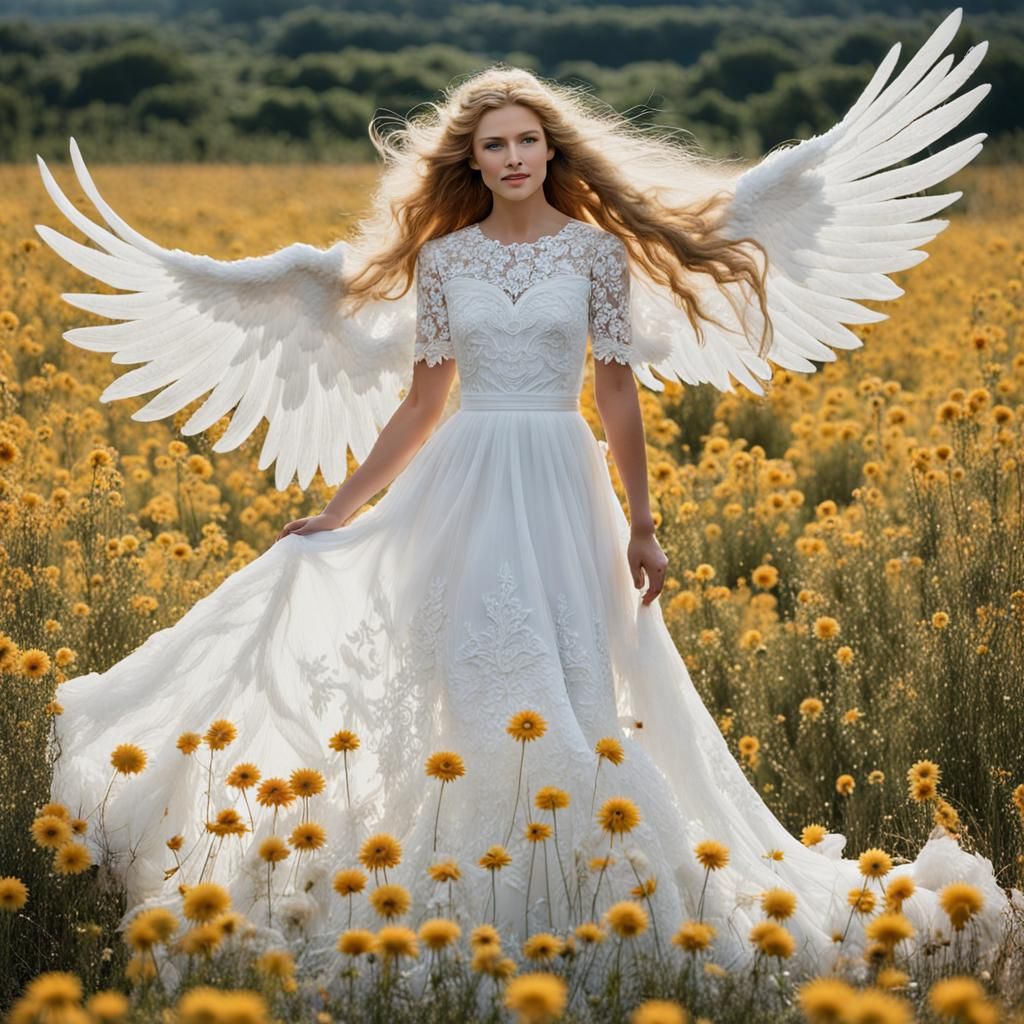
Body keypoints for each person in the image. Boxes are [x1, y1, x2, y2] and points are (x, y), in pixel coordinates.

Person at [36, 26, 1016, 993]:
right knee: (470, 681)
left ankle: (599, 902)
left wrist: (642, 520)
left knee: (575, 685)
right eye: (492, 144)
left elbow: (618, 393)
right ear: (473, 158)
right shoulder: (444, 262)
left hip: (560, 477)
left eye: (525, 140)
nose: (510, 158)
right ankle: (471, 895)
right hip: (463, 482)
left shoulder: (595, 254)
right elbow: (422, 405)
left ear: (552, 148)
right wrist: (337, 511)